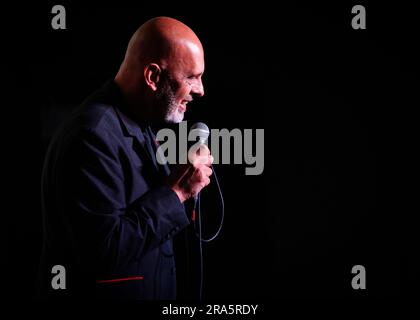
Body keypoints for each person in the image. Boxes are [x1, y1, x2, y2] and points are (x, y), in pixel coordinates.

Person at [39, 16, 213, 299]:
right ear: (153, 77)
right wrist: (177, 191)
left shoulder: (137, 124)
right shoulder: (92, 136)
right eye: (192, 77)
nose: (201, 90)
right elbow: (102, 252)